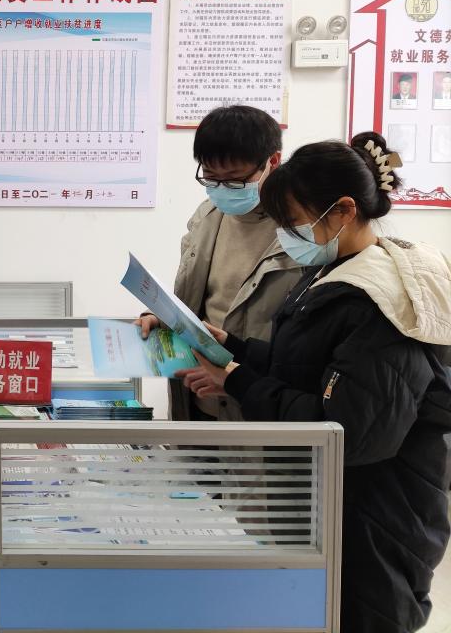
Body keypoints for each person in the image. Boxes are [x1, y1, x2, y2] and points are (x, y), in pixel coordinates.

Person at [180, 132, 451, 632]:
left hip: (373, 517)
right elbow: (308, 367)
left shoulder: (379, 303)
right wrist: (234, 347)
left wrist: (237, 381)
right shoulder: (334, 269)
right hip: (325, 501)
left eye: (293, 222)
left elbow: (346, 432)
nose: (286, 236)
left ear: (344, 210)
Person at [136, 105, 302, 421]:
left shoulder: (303, 229)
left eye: (235, 179)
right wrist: (161, 317)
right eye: (211, 178)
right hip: (199, 398)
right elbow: (193, 299)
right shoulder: (207, 217)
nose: (223, 189)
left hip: (261, 404)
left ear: (273, 161)